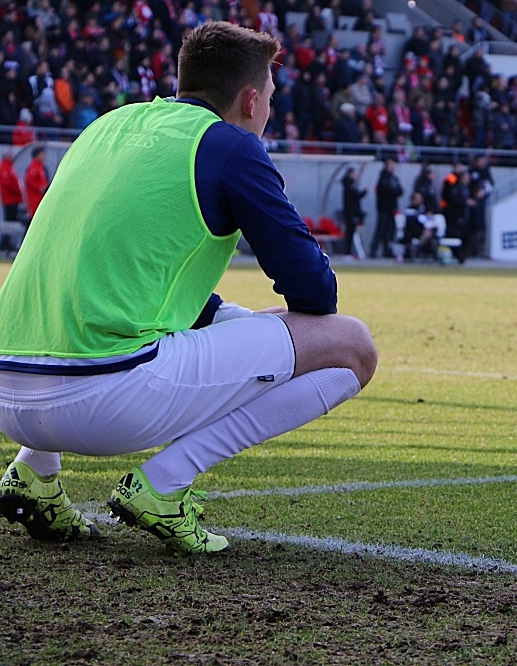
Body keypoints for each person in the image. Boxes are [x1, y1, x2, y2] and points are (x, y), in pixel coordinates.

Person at [0, 22, 378, 555]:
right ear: (250, 99)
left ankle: (33, 474)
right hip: (102, 400)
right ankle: (164, 482)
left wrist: (230, 317)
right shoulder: (229, 147)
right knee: (350, 345)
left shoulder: (109, 125)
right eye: (270, 97)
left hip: (8, 390)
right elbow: (314, 295)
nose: (269, 110)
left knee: (229, 319)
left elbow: (107, 269)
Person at [370, 157, 403, 258]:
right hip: (384, 208)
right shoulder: (383, 177)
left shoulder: (394, 177)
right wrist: (393, 192)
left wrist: (394, 192)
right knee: (381, 229)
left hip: (392, 208)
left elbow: (400, 190)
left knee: (390, 231)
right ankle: (373, 250)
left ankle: (387, 250)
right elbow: (386, 190)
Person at [341, 167, 366, 257]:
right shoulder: (349, 184)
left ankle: (349, 252)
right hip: (350, 212)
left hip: (351, 212)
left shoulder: (350, 184)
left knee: (351, 232)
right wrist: (364, 192)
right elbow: (355, 196)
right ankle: (347, 252)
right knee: (349, 232)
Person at [24, 146, 48, 221]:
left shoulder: (40, 166)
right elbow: (29, 180)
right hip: (36, 200)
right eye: (42, 154)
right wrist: (39, 188)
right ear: (37, 155)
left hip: (41, 199)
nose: (44, 156)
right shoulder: (34, 167)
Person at [0, 150, 22, 223]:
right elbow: (7, 183)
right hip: (10, 199)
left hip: (13, 198)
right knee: (10, 219)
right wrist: (17, 190)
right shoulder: (5, 167)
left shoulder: (9, 166)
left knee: (13, 218)